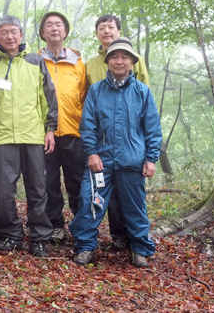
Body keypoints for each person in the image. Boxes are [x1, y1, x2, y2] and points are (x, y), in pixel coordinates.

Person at [70, 37, 161, 267]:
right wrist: (91, 153)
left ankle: (140, 249)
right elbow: (87, 125)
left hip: (132, 160)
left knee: (135, 207)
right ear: (108, 60)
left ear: (132, 62)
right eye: (114, 57)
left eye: (124, 57)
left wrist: (151, 158)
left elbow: (152, 127)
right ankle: (85, 247)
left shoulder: (142, 92)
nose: (119, 61)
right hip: (101, 160)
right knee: (90, 202)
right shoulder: (97, 91)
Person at [0, 15, 58, 257]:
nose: (10, 36)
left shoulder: (36, 61)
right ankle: (10, 234)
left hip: (33, 134)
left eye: (14, 31)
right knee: (3, 189)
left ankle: (40, 237)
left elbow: (49, 97)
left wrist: (50, 129)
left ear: (21, 35)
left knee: (37, 188)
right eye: (4, 32)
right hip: (1, 136)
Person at [85, 14, 150, 250]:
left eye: (110, 27)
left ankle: (136, 243)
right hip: (103, 143)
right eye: (101, 28)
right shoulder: (92, 66)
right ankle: (117, 238)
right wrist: (91, 148)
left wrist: (149, 154)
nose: (106, 31)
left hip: (130, 143)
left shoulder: (139, 78)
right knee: (103, 197)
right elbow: (87, 107)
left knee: (132, 198)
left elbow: (146, 107)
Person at [38, 11, 87, 242]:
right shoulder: (34, 60)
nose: (54, 28)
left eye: (59, 25)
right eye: (49, 25)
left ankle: (81, 226)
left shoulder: (78, 63)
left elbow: (85, 96)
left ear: (65, 31)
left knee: (76, 181)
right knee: (48, 183)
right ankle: (54, 225)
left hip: (74, 131)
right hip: (44, 132)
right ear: (42, 32)